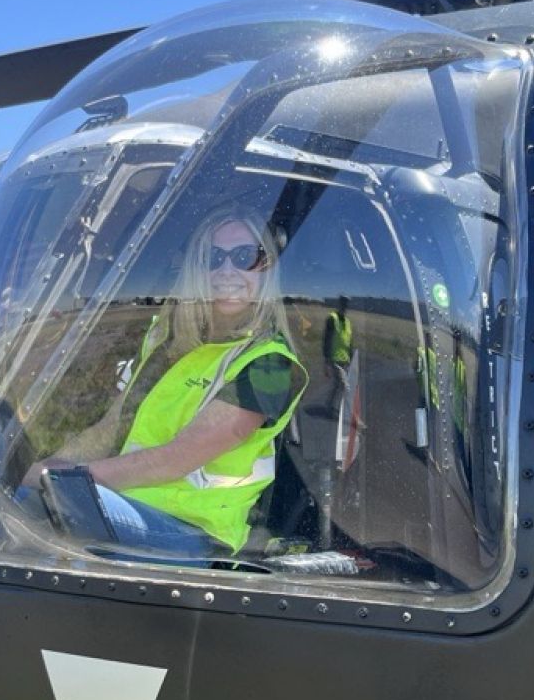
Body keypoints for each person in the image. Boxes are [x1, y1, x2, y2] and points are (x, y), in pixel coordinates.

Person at [26, 207, 307, 558]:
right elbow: (108, 430)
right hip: (131, 504)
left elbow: (177, 459)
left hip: (193, 532)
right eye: (213, 259)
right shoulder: (166, 343)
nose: (227, 271)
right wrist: (44, 467)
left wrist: (67, 481)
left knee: (39, 505)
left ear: (266, 269)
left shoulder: (269, 364)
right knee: (20, 496)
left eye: (245, 257)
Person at [323, 296, 352, 416]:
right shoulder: (332, 319)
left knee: (337, 385)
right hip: (334, 359)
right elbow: (326, 340)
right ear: (339, 304)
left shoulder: (348, 321)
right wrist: (326, 360)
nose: (344, 307)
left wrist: (350, 357)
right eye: (343, 304)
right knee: (345, 386)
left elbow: (349, 341)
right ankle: (351, 415)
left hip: (344, 360)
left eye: (346, 305)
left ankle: (329, 406)